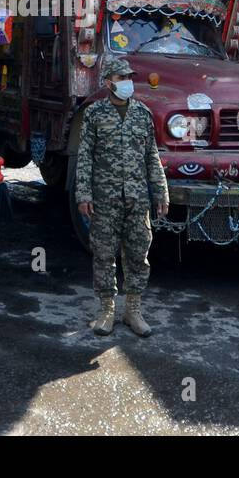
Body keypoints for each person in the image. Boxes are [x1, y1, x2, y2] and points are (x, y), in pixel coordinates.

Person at [74, 55, 169, 337]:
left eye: (129, 78)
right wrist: (83, 193)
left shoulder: (143, 114)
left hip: (138, 198)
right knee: (104, 254)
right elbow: (85, 157)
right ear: (108, 83)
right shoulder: (94, 114)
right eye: (121, 78)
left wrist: (160, 191)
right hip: (105, 198)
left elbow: (152, 156)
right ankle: (106, 311)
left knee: (138, 254)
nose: (128, 83)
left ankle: (133, 311)